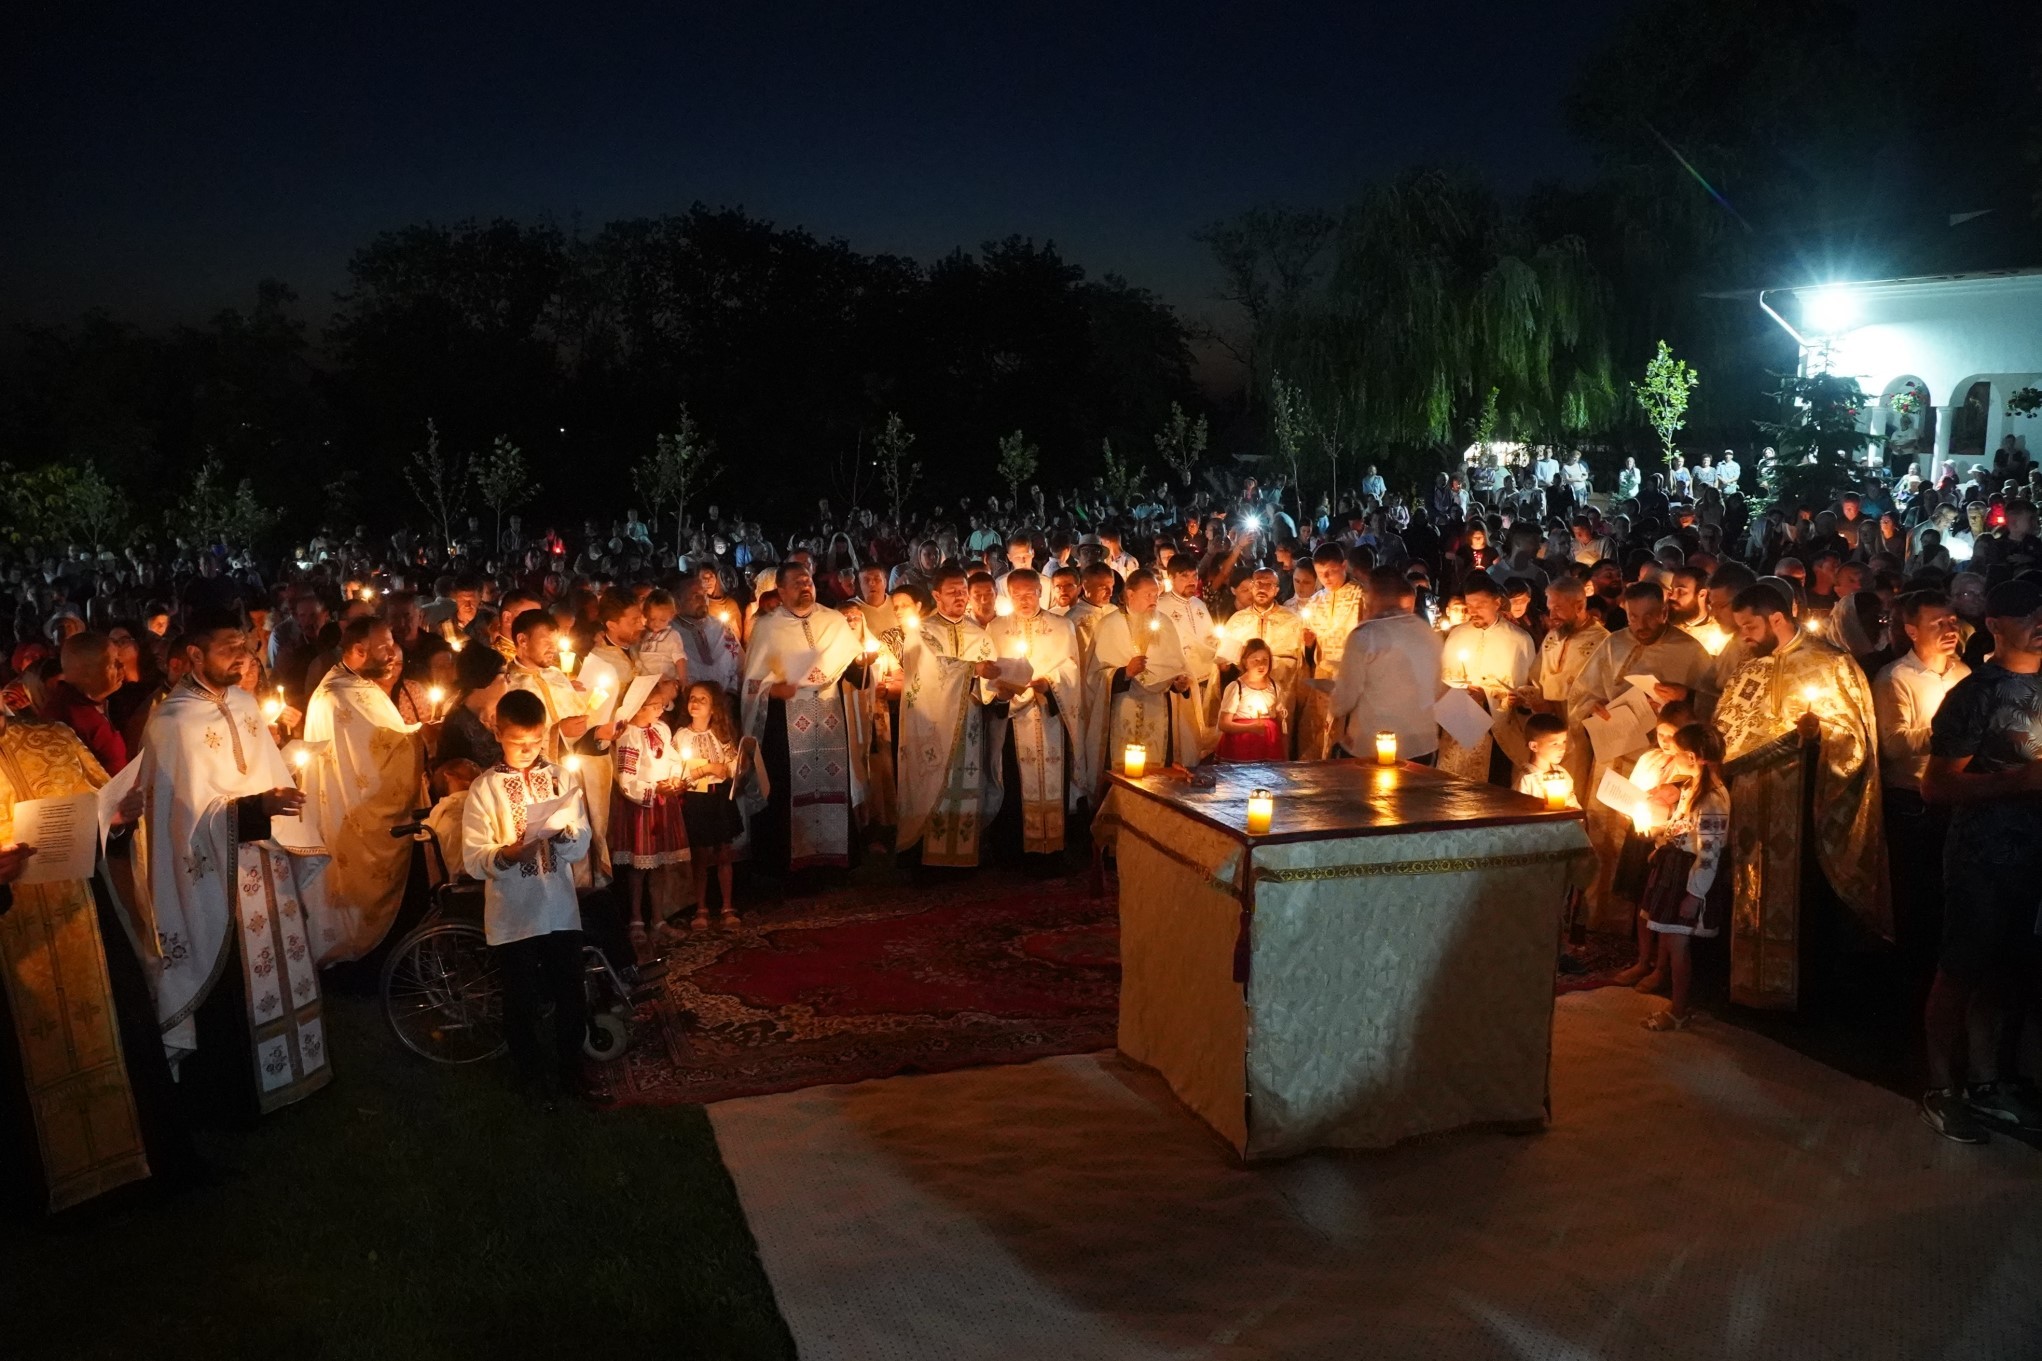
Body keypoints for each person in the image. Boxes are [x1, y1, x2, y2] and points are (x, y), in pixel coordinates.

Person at [0, 713, 199, 1216]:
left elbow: (100, 816)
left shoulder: (52, 737)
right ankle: (46, 1193)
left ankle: (146, 1165)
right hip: (11, 950)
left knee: (122, 1035)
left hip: (87, 922)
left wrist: (118, 820)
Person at [139, 611, 331, 1119]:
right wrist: (253, 808)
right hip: (214, 878)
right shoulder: (170, 722)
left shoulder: (245, 703)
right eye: (228, 647)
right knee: (233, 979)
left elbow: (263, 770)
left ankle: (295, 1070)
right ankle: (238, 1095)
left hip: (266, 864)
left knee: (283, 966)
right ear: (194, 655)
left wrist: (280, 796)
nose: (243, 656)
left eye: (244, 646)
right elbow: (181, 817)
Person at [1716, 582, 1889, 1008]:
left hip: (1806, 808)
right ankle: (1749, 987)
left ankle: (1801, 996)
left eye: (1750, 625)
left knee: (1802, 904)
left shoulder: (1832, 664)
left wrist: (1816, 739)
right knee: (1748, 886)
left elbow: (1855, 738)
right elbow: (1725, 733)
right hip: (1750, 800)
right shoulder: (1748, 668)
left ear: (1777, 617)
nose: (1744, 636)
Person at [1914, 578, 2042, 1142]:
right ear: (1995, 623)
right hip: (1982, 855)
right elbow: (1936, 787)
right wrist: (2019, 780)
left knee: (2007, 972)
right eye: (2025, 612)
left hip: (2034, 856)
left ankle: (1990, 1082)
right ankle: (1943, 1087)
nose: (2039, 620)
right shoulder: (1975, 693)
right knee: (1961, 969)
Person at [458, 688, 602, 1105]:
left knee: (570, 992)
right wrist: (504, 854)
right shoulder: (485, 789)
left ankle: (571, 1069)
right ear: (498, 733)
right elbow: (472, 855)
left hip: (558, 906)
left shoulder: (560, 777)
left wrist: (566, 838)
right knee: (520, 999)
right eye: (519, 742)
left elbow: (581, 837)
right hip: (514, 913)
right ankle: (531, 1077)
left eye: (536, 741)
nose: (528, 750)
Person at [1566, 581, 1716, 932]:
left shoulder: (1690, 651)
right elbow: (1581, 693)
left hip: (1654, 761)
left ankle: (1630, 924)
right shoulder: (1613, 643)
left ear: (1665, 612)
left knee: (1636, 841)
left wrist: (1685, 695)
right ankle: (1592, 914)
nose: (1641, 625)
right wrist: (1594, 705)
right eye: (1634, 617)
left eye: (1650, 616)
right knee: (1600, 833)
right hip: (1609, 753)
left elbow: (1714, 702)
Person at [299, 616, 426, 964]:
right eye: (383, 646)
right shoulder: (337, 696)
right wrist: (419, 740)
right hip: (353, 818)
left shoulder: (358, 685)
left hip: (355, 809)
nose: (392, 652)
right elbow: (376, 761)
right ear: (358, 650)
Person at [740, 562, 866, 880]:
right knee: (788, 791)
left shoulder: (833, 621)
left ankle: (834, 860)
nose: (805, 587)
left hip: (829, 715)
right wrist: (773, 689)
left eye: (807, 580)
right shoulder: (768, 628)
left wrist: (863, 665)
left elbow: (853, 670)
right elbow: (753, 682)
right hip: (786, 723)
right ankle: (792, 867)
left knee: (833, 784)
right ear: (780, 591)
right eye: (796, 583)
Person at [1872, 590, 1969, 992]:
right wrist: (1944, 729)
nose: (1949, 630)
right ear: (1911, 631)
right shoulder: (1896, 678)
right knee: (1916, 892)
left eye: (1951, 622)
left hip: (1954, 794)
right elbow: (1893, 744)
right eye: (1937, 625)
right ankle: (1910, 978)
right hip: (1911, 800)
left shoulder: (1964, 674)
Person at [1628, 722, 1732, 1031]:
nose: (1671, 760)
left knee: (1677, 945)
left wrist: (1695, 893)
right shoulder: (1692, 787)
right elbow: (1683, 827)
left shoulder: (1713, 798)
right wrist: (1660, 836)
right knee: (1671, 940)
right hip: (1674, 867)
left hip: (1688, 877)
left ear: (1692, 756)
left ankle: (1679, 1009)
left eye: (1676, 754)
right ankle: (1677, 1003)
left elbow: (1710, 851)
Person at [894, 566, 997, 868]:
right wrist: (972, 669)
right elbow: (928, 670)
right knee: (931, 784)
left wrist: (999, 684)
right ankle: (925, 863)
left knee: (966, 788)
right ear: (936, 595)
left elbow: (987, 686)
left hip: (970, 727)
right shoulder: (922, 631)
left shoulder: (979, 634)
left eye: (963, 591)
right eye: (952, 591)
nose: (960, 596)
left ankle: (961, 860)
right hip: (932, 725)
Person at [983, 568, 1085, 859]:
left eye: (1030, 593)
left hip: (1050, 717)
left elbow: (1071, 670)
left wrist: (1048, 683)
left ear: (1041, 592)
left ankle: (1053, 850)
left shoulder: (1062, 626)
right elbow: (990, 671)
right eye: (1017, 595)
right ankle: (1017, 852)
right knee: (1016, 782)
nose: (1024, 599)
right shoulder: (997, 628)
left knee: (1054, 779)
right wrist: (1003, 689)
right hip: (1014, 722)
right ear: (1009, 595)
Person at [1086, 569, 1197, 788]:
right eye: (1148, 595)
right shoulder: (1109, 625)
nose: (1154, 600)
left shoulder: (1164, 623)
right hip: (1121, 707)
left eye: (1156, 595)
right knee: (1121, 776)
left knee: (1157, 780)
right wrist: (1124, 673)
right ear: (1130, 594)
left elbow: (1177, 666)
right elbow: (1094, 676)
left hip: (1158, 711)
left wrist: (1179, 685)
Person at [1331, 565, 1444, 764]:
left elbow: (1345, 697)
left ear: (1374, 596)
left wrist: (1333, 704)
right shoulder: (1428, 633)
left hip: (1373, 743)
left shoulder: (1366, 635)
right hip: (1422, 743)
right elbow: (1437, 688)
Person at [610, 679, 686, 948]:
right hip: (641, 808)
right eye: (654, 706)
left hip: (663, 804)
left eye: (660, 705)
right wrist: (654, 790)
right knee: (639, 867)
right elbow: (626, 778)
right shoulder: (629, 735)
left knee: (660, 865)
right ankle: (636, 919)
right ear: (637, 707)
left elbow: (675, 759)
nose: (660, 711)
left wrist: (675, 780)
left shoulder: (662, 729)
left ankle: (658, 918)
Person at [1439, 578, 1534, 784]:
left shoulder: (1519, 640)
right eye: (1470, 605)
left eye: (1480, 605)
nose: (1473, 611)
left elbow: (1525, 689)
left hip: (1499, 733)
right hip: (1460, 724)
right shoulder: (1457, 635)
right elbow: (1445, 679)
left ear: (1497, 603)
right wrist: (1460, 688)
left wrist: (1487, 694)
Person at [674, 680, 743, 931]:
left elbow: (732, 764)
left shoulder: (720, 734)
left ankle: (727, 906)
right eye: (692, 698)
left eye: (702, 699)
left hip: (719, 797)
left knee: (724, 852)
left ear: (714, 707)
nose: (695, 703)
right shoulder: (682, 736)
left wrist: (731, 769)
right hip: (696, 800)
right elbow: (679, 771)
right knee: (700, 856)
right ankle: (701, 908)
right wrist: (705, 769)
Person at [1296, 543, 1365, 761]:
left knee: (1345, 730)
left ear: (1344, 566)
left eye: (1331, 572)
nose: (1325, 578)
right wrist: (1309, 644)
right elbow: (1311, 645)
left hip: (1351, 674)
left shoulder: (1361, 595)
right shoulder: (1316, 601)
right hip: (1323, 673)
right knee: (1318, 727)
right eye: (1320, 573)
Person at [37, 630, 129, 774]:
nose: (121, 666)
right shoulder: (68, 720)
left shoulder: (99, 703)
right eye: (112, 663)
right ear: (87, 672)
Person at [1218, 638, 1288, 762]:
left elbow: (1278, 718)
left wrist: (1280, 715)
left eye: (1265, 660)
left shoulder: (1274, 687)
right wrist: (1250, 728)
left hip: (1268, 744)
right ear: (1245, 662)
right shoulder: (1237, 688)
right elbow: (1224, 724)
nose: (1261, 664)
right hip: (1241, 745)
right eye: (1255, 660)